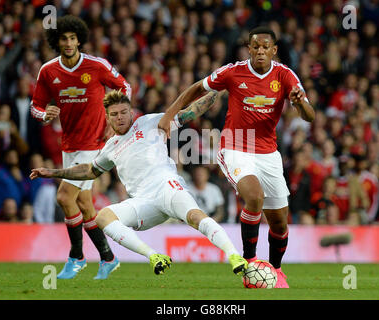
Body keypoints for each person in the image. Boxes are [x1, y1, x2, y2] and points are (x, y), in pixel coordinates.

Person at [158, 26, 315, 288]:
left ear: (274, 50)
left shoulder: (285, 75)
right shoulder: (233, 71)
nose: (261, 51)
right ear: (249, 49)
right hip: (235, 147)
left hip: (268, 152)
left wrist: (299, 103)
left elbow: (309, 116)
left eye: (266, 47)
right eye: (256, 47)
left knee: (279, 223)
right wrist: (169, 114)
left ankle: (276, 270)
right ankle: (250, 263)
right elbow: (198, 88)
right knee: (254, 197)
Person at [30, 89, 247, 277]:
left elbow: (188, 112)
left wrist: (216, 92)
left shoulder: (150, 122)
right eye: (114, 114)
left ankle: (235, 257)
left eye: (124, 112)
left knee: (194, 216)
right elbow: (89, 170)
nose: (120, 117)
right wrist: (52, 172)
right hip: (143, 201)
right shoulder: (110, 147)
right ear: (107, 118)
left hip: (167, 186)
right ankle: (154, 256)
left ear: (131, 112)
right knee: (104, 216)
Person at [30, 15, 131, 280]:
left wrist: (115, 120)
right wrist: (44, 114)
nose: (68, 43)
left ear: (79, 40)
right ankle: (108, 258)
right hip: (70, 143)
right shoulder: (48, 71)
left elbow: (125, 87)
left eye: (73, 38)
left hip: (94, 143)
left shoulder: (96, 65)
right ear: (57, 41)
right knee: (85, 205)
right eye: (63, 38)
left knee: (64, 197)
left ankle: (77, 256)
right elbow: (35, 105)